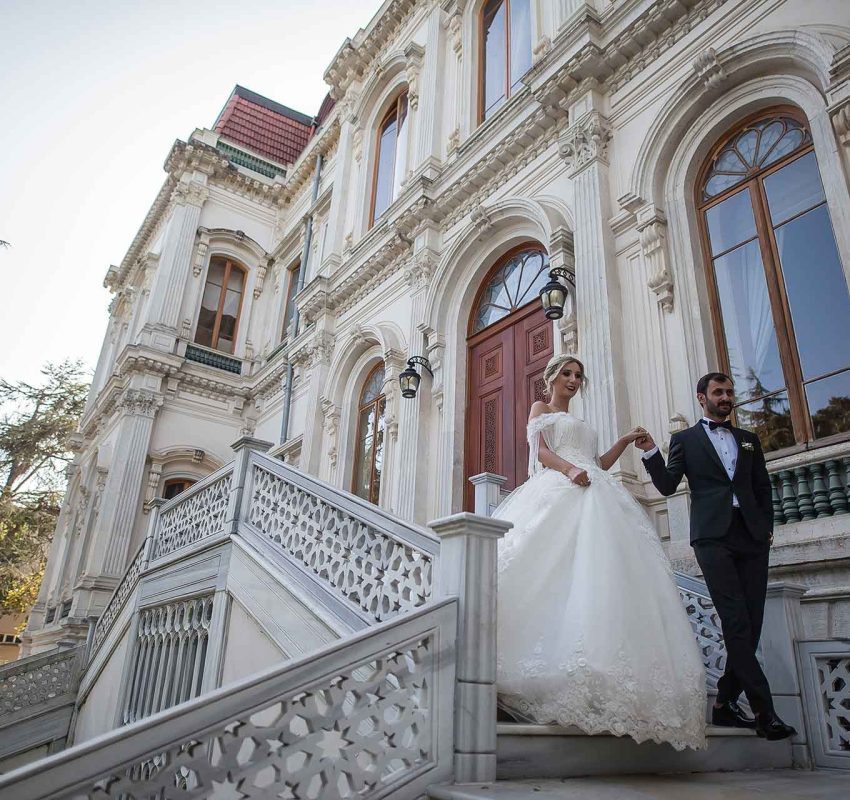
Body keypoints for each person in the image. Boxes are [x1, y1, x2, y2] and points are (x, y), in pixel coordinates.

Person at [494, 353, 705, 751]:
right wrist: (570, 472)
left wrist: (623, 442)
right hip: (562, 486)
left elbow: (599, 463)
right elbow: (541, 453)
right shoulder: (541, 408)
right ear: (552, 377)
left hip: (594, 487)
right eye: (567, 374)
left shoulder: (584, 425)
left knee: (599, 577)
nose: (574, 380)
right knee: (547, 570)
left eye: (578, 376)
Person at [637, 372, 795, 741]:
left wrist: (767, 528)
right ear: (701, 398)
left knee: (751, 624)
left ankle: (724, 704)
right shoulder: (685, 440)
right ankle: (764, 712)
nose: (726, 397)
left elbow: (762, 488)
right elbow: (666, 485)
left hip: (752, 537)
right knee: (736, 621)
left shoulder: (749, 440)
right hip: (712, 537)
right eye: (718, 392)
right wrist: (649, 452)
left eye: (729, 392)